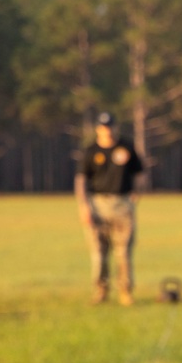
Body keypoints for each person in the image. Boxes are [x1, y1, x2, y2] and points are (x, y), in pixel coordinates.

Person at [74, 113, 144, 305]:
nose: (107, 131)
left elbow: (139, 173)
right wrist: (83, 206)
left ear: (116, 127)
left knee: (124, 252)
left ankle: (125, 291)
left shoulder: (126, 147)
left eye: (110, 126)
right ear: (98, 129)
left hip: (122, 204)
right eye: (104, 127)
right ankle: (101, 290)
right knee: (98, 252)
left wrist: (136, 192)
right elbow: (81, 179)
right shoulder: (90, 151)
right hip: (98, 204)